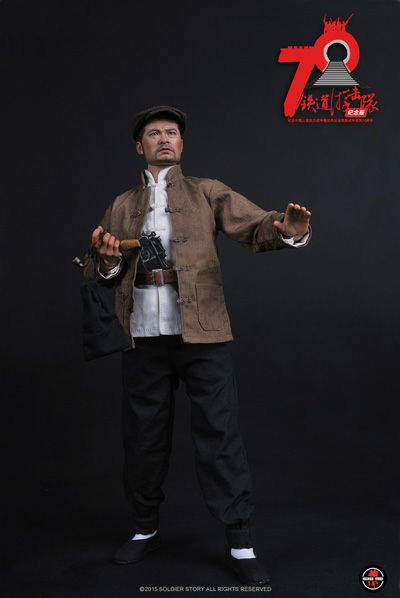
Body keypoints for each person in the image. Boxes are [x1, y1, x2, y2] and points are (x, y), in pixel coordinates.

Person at [84, 105, 312, 586]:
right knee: (143, 437)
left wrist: (288, 230)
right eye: (154, 133)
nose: (164, 139)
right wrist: (106, 262)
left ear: (182, 144)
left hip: (203, 333)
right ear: (139, 147)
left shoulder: (208, 191)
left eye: (172, 132)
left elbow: (256, 225)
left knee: (219, 435)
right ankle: (144, 528)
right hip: (142, 335)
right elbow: (97, 267)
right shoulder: (121, 204)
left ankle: (241, 540)